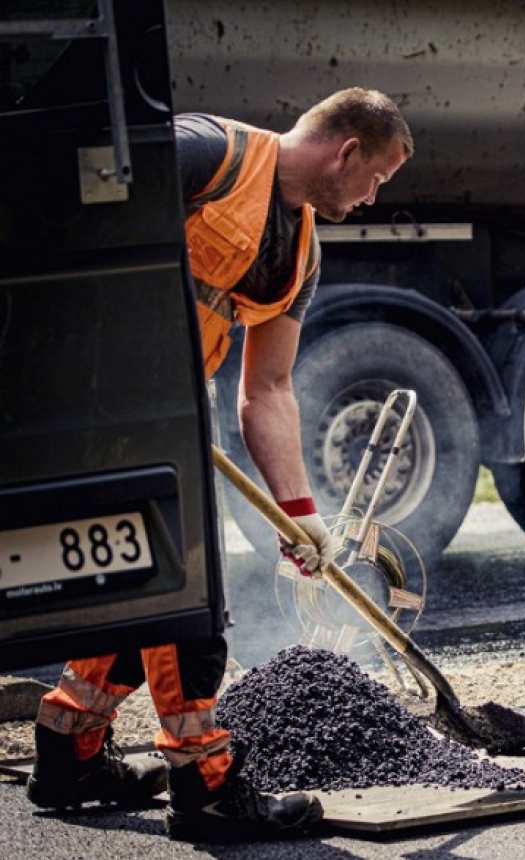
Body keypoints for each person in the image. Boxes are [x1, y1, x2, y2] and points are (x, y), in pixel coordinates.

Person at [26, 87, 413, 842]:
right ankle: (205, 784)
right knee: (189, 600)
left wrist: (299, 518)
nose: (373, 197)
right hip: (90, 399)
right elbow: (61, 225)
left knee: (143, 584)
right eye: (378, 179)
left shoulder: (300, 251)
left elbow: (267, 389)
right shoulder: (207, 153)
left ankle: (68, 748)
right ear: (347, 152)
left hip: (166, 415)